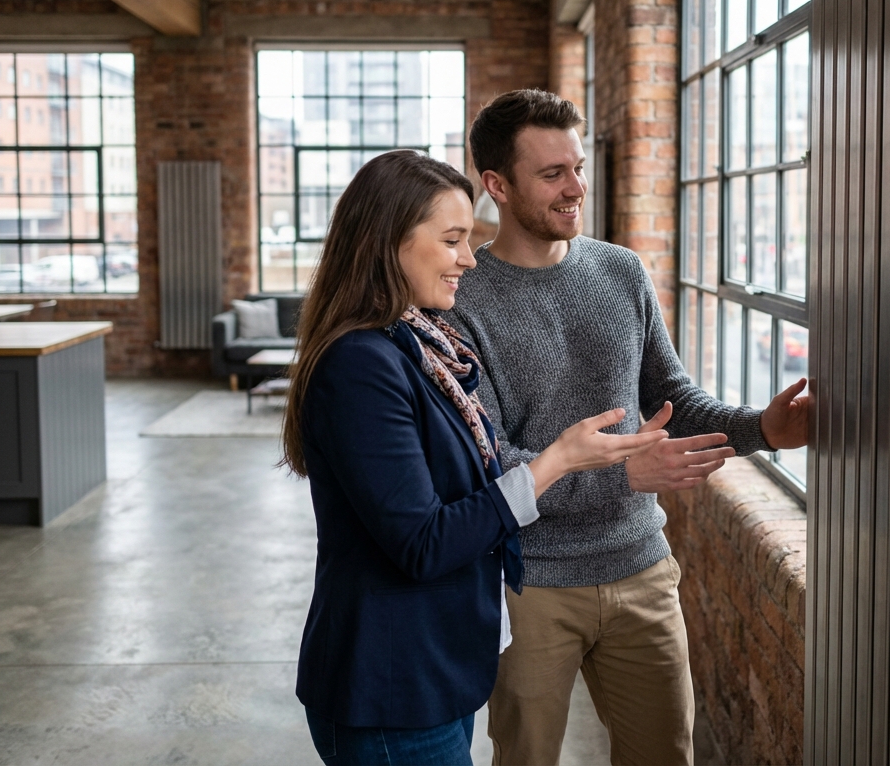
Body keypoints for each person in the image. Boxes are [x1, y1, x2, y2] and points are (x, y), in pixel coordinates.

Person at [449, 90, 810, 766]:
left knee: (665, 754)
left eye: (578, 167)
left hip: (641, 567)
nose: (575, 187)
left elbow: (672, 396)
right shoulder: (464, 300)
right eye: (552, 173)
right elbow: (487, 462)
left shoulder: (621, 270)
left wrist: (765, 428)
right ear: (496, 186)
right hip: (530, 585)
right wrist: (621, 472)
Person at [281, 150, 669, 766]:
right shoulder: (359, 364)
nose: (468, 258)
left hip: (435, 670)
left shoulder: (419, 341)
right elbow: (424, 542)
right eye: (453, 240)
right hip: (391, 686)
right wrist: (556, 462)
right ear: (390, 244)